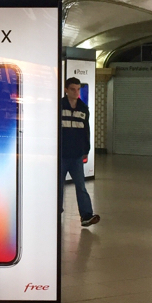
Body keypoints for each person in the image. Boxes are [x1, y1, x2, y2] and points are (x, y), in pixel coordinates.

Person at [60, 77, 100, 226]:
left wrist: (86, 149)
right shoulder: (59, 106)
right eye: (73, 89)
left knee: (81, 186)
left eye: (78, 89)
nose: (76, 92)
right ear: (66, 90)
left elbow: (86, 131)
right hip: (61, 155)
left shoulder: (83, 108)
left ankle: (86, 215)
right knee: (58, 186)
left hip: (76, 155)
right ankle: (56, 213)